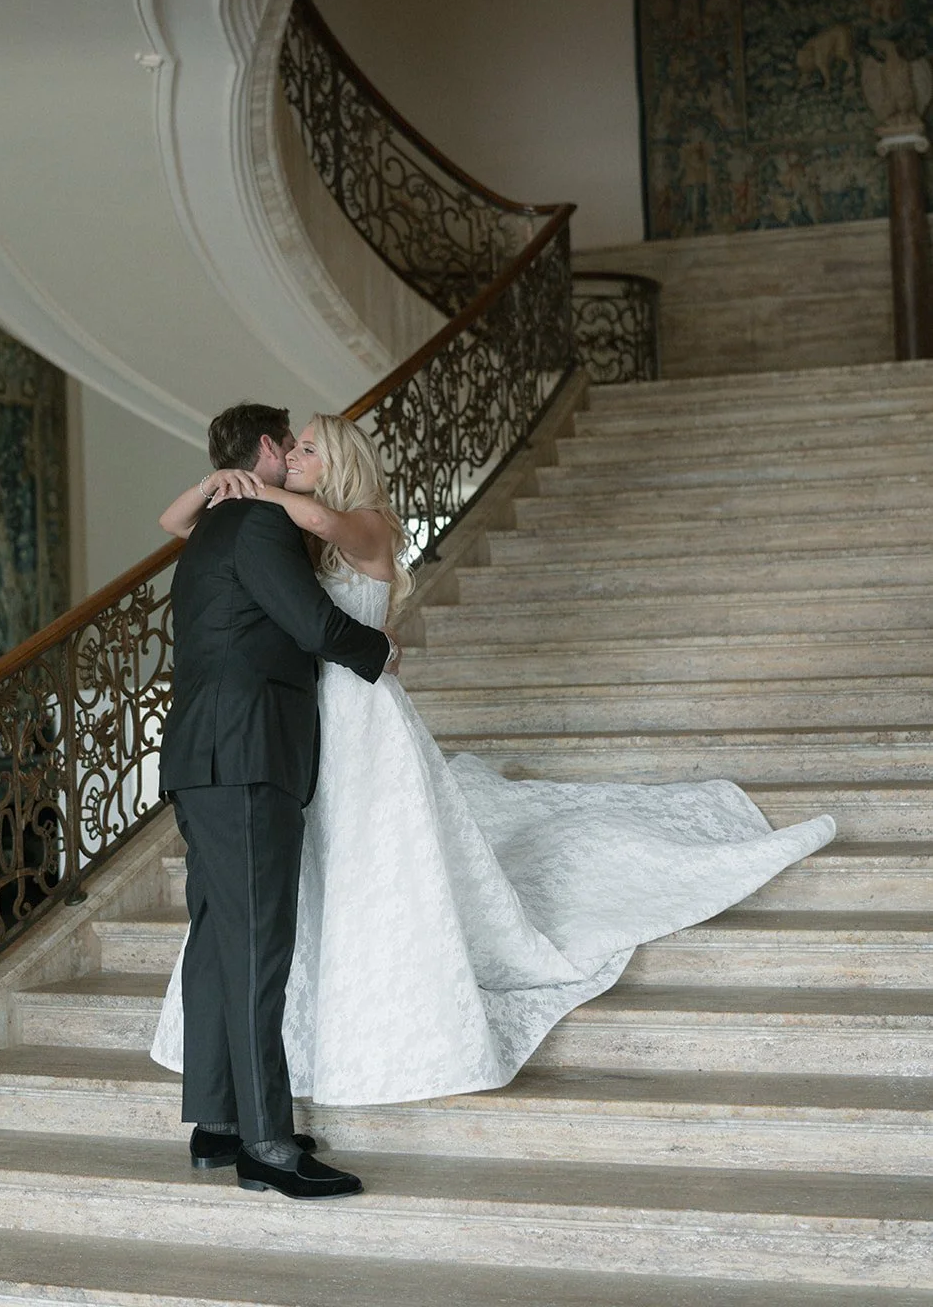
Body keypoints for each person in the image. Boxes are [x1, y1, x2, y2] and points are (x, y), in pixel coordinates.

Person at [152, 412, 835, 1112]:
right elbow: (180, 527)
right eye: (290, 446)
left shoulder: (364, 521)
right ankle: (267, 1088)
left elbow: (325, 538)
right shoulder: (279, 530)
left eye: (307, 449)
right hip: (300, 721)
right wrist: (218, 485)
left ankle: (268, 1105)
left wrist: (258, 493)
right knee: (305, 884)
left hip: (355, 713)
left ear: (339, 462)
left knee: (367, 861)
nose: (294, 456)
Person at [157, 402, 397, 1202]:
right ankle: (266, 1141)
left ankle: (218, 1123)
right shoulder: (254, 527)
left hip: (202, 755)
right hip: (248, 755)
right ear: (266, 448)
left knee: (219, 939)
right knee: (258, 946)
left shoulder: (213, 529)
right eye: (287, 443)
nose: (293, 454)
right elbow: (311, 624)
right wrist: (380, 653)